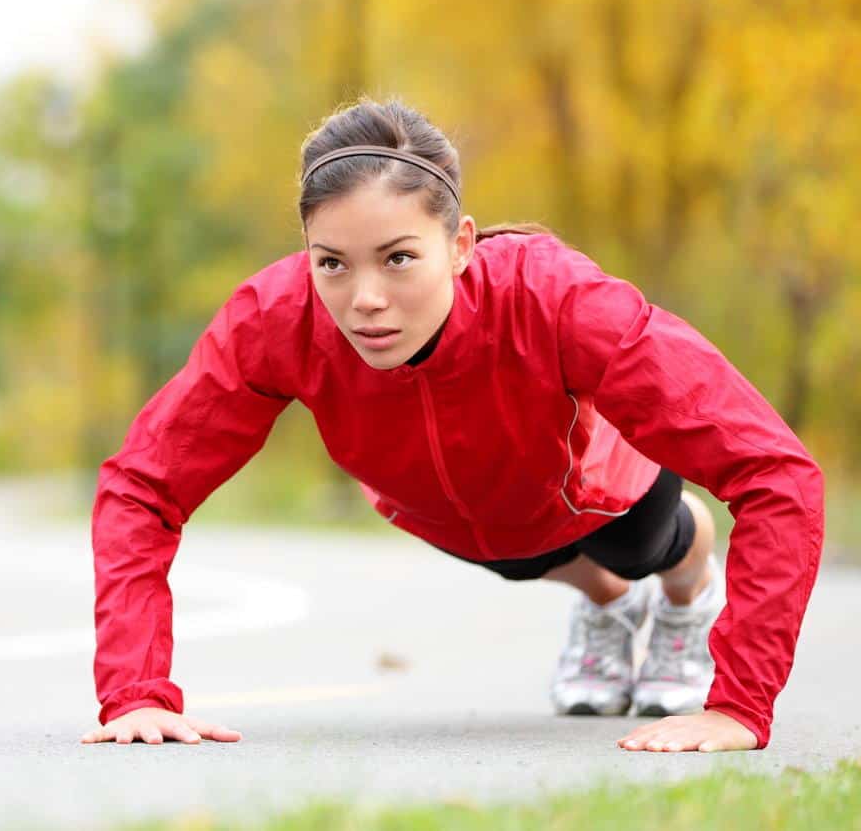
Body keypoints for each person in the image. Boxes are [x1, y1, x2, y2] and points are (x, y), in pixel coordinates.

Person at [79, 99, 824, 753]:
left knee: (638, 548)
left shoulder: (556, 297)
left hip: (600, 489)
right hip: (455, 510)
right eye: (331, 262)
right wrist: (134, 693)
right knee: (509, 552)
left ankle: (685, 592)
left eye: (399, 258)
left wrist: (739, 705)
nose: (364, 298)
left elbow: (775, 472)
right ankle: (606, 609)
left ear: (461, 244)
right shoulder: (275, 320)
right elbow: (144, 484)